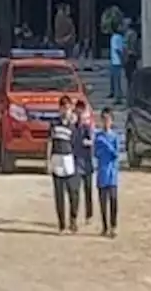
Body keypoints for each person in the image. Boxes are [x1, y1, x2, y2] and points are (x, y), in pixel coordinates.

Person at [48, 96, 80, 233]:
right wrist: (47, 161)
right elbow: (49, 142)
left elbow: (77, 143)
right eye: (63, 108)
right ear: (60, 108)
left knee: (74, 192)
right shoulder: (54, 123)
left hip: (69, 159)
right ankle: (61, 223)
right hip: (57, 158)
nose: (65, 111)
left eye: (68, 108)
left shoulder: (74, 125)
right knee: (59, 194)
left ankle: (73, 218)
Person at [94, 107, 120, 237]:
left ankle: (113, 225)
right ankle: (105, 226)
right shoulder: (98, 136)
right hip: (102, 173)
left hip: (112, 174)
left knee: (113, 200)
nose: (106, 122)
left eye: (108, 120)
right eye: (104, 120)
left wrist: (107, 146)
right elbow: (96, 153)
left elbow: (116, 154)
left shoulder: (114, 137)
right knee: (103, 202)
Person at [73, 100, 95, 224]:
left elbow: (92, 142)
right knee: (75, 191)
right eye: (78, 111)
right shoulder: (72, 127)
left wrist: (89, 142)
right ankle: (74, 215)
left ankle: (89, 215)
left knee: (88, 190)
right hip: (76, 162)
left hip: (87, 163)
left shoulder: (87, 127)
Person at [109, 23, 126, 102]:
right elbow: (118, 49)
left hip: (114, 60)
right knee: (117, 80)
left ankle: (114, 93)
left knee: (115, 79)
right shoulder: (116, 37)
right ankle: (117, 96)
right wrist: (122, 59)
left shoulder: (119, 37)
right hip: (117, 61)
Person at [123, 19, 140, 91]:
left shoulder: (129, 34)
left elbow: (127, 46)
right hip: (131, 55)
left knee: (130, 76)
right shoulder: (132, 33)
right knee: (130, 76)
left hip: (130, 56)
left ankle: (131, 92)